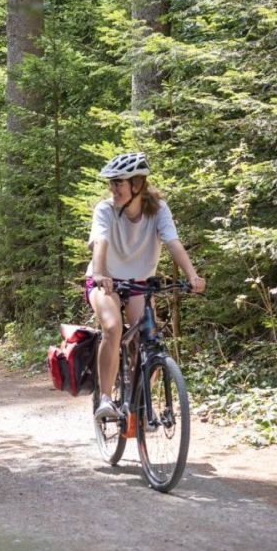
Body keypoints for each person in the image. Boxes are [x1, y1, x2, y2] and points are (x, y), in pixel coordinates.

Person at [85, 152, 205, 420]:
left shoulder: (159, 210)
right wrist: (100, 272)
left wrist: (192, 275)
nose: (113, 188)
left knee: (150, 340)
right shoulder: (105, 210)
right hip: (107, 281)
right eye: (112, 183)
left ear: (136, 185)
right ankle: (105, 399)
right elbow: (100, 242)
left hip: (139, 283)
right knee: (113, 328)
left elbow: (172, 242)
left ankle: (137, 400)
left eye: (119, 183)